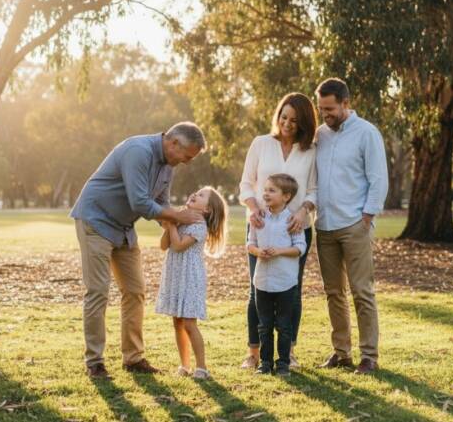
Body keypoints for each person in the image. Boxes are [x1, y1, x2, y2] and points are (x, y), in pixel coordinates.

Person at [70, 122, 207, 379]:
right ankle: (95, 362)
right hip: (95, 220)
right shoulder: (138, 151)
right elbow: (140, 201)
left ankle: (133, 359)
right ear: (174, 143)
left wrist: (174, 223)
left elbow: (161, 203)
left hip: (123, 227)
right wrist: (179, 216)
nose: (187, 162)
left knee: (135, 291)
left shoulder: (168, 165)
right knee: (98, 291)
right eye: (187, 156)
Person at [313, 78, 388, 375]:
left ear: (346, 103)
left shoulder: (367, 133)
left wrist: (367, 218)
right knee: (333, 293)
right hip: (325, 227)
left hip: (354, 224)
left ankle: (369, 356)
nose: (325, 114)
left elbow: (378, 178)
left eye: (330, 108)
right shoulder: (320, 134)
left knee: (362, 291)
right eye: (322, 109)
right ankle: (341, 353)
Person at [238, 93, 318, 370]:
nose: (287, 123)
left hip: (296, 229)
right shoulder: (261, 144)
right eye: (283, 117)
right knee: (256, 289)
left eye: (294, 120)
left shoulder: (310, 151)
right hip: (260, 227)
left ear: (304, 123)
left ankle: (288, 352)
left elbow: (314, 190)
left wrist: (303, 209)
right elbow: (246, 184)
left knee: (291, 292)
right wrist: (252, 207)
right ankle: (254, 353)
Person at [155, 186, 228, 380]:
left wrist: (171, 224)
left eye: (202, 195)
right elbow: (164, 246)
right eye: (196, 191)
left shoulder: (198, 225)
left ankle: (201, 367)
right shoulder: (182, 220)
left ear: (207, 210)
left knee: (189, 323)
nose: (195, 194)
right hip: (176, 275)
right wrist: (174, 221)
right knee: (177, 322)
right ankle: (184, 365)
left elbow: (178, 246)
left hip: (190, 277)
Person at [247, 174, 307, 377]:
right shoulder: (258, 218)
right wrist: (257, 252)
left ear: (286, 196)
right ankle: (265, 363)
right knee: (264, 325)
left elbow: (300, 247)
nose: (265, 193)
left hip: (285, 282)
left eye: (272, 190)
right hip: (262, 281)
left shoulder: (291, 220)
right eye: (265, 189)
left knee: (283, 325)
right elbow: (250, 243)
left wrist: (279, 251)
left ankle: (282, 363)